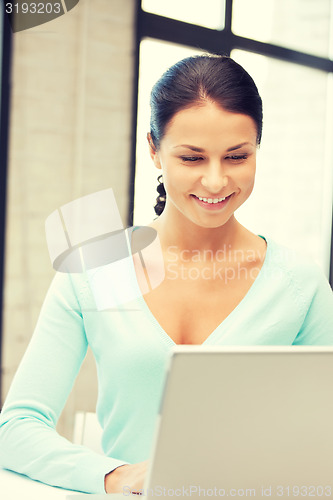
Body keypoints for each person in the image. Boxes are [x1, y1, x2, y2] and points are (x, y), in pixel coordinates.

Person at [0, 53, 332, 495]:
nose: (215, 181)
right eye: (192, 158)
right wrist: (114, 475)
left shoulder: (299, 285)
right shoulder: (94, 271)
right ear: (153, 149)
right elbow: (16, 429)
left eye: (236, 156)